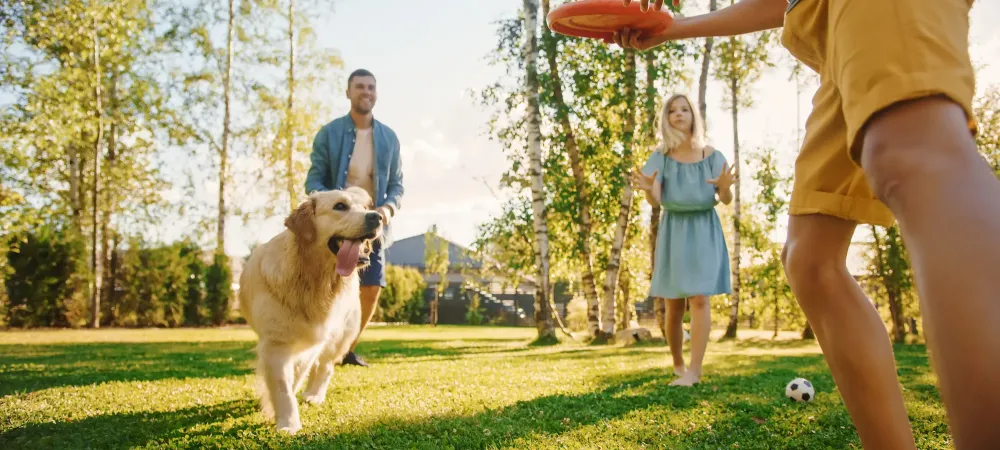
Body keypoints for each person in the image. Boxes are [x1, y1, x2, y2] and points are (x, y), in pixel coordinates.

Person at [614, 0, 1000, 449]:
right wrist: (672, 28)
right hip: (830, 40)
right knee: (811, 262)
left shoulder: (708, 154)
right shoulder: (663, 156)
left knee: (913, 154)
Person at [633, 93, 736, 387]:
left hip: (704, 227)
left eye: (684, 109)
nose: (678, 114)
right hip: (674, 229)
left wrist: (725, 187)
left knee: (700, 297)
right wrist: (648, 188)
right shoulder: (660, 157)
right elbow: (656, 200)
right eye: (672, 110)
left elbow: (725, 199)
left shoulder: (712, 156)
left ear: (693, 116)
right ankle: (678, 364)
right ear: (666, 119)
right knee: (675, 304)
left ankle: (694, 371)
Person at [305, 68, 404, 368]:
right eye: (360, 86)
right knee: (326, 286)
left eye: (371, 87)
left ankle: (344, 350)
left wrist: (387, 210)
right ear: (348, 92)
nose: (366, 92)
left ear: (377, 93)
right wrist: (334, 205)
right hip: (337, 227)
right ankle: (317, 346)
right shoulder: (329, 134)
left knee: (371, 286)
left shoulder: (389, 138)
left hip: (373, 224)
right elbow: (314, 181)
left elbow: (397, 186)